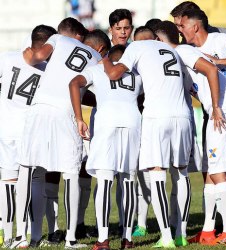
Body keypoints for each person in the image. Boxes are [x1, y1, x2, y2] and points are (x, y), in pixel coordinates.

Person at [11, 18, 110, 249]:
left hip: (41, 107)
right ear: (100, 47)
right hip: (67, 112)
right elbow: (98, 92)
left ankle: (22, 237)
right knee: (71, 174)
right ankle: (71, 240)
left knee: (27, 168)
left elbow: (35, 57)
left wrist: (28, 53)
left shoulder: (57, 38)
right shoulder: (96, 58)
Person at [102, 25, 198, 248]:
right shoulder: (172, 50)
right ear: (155, 37)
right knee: (181, 174)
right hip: (183, 115)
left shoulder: (136, 48)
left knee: (157, 175)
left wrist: (106, 59)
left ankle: (165, 237)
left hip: (157, 116)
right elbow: (187, 86)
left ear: (137, 40)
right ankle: (181, 233)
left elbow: (114, 73)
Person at [178, 9, 226, 244]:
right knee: (215, 171)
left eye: (181, 25)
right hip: (221, 112)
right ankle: (209, 231)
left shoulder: (220, 39)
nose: (179, 30)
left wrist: (216, 62)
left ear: (194, 25)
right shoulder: (187, 53)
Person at [70, 44, 142, 250]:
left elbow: (74, 83)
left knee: (105, 182)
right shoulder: (137, 74)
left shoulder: (99, 68)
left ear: (109, 57)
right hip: (132, 122)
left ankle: (103, 239)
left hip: (106, 122)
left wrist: (78, 118)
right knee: (128, 181)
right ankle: (127, 238)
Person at [0, 24, 56, 248]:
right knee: (35, 182)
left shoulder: (6, 58)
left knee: (8, 183)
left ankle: (9, 236)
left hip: (6, 131)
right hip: (31, 135)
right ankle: (33, 237)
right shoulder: (47, 70)